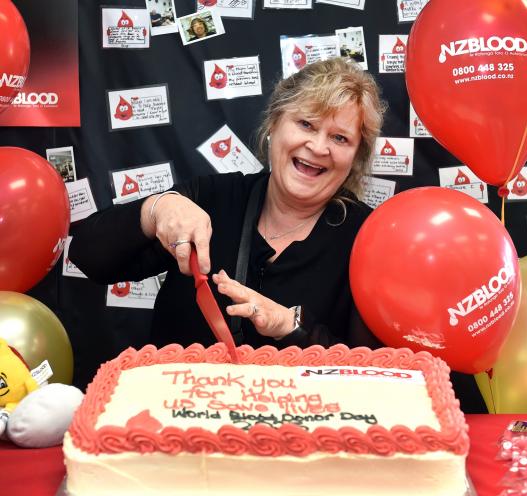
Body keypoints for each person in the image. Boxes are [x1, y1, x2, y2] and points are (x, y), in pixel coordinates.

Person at [69, 57, 387, 351]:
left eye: (340, 138)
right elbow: (88, 256)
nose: (318, 147)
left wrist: (290, 326)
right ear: (274, 124)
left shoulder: (368, 239)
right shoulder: (213, 199)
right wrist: (156, 209)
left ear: (355, 157)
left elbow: (377, 371)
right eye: (306, 124)